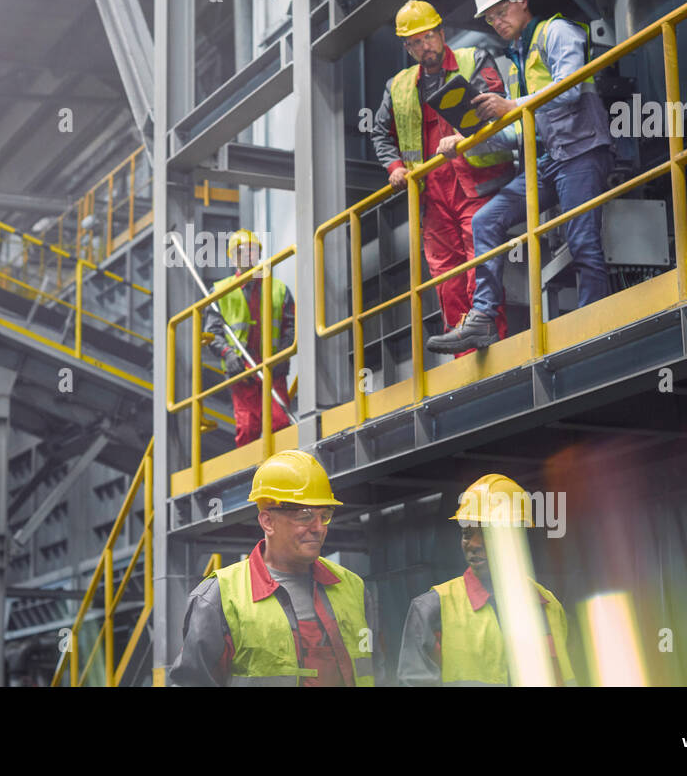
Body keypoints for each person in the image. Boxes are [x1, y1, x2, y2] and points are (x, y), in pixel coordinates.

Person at [427, 0, 614, 354]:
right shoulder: (515, 61)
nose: (497, 22)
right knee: (485, 220)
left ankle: (595, 323)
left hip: (581, 151)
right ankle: (482, 320)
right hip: (549, 161)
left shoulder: (556, 33)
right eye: (490, 18)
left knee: (582, 241)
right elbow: (516, 132)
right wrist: (466, 142)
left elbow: (571, 86)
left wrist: (511, 106)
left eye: (501, 11)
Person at [369, 0, 515, 353]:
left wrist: (465, 139)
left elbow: (497, 110)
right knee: (446, 276)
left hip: (476, 184)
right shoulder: (398, 86)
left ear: (441, 33)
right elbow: (380, 133)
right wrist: (396, 168)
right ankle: (463, 352)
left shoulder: (473, 59)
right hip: (432, 196)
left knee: (477, 266)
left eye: (429, 37)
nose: (425, 47)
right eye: (416, 42)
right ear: (407, 47)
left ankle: (492, 343)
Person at [170, 450, 377, 686]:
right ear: (268, 521)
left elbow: (376, 669)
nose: (319, 527)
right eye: (305, 515)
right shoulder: (220, 597)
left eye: (325, 515)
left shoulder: (353, 588)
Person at [397, 473, 576, 686]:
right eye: (467, 533)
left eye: (485, 532)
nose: (473, 544)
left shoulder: (550, 607)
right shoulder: (433, 608)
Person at [205, 229, 294, 447]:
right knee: (247, 428)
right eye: (242, 251)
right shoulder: (220, 291)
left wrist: (282, 356)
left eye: (252, 250)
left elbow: (290, 327)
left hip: (273, 368)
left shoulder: (278, 289)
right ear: (233, 256)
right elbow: (212, 332)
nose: (247, 255)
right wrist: (228, 354)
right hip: (241, 370)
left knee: (280, 423)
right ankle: (250, 477)